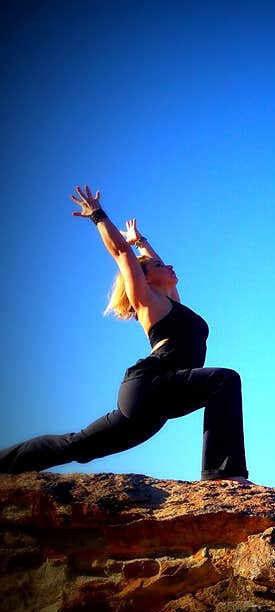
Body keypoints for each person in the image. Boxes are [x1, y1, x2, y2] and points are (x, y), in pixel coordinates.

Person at [0, 185, 251, 484]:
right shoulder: (148, 301)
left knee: (80, 445)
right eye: (159, 265)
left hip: (156, 408)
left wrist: (142, 241)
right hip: (150, 386)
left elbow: (153, 265)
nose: (168, 265)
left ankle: (4, 463)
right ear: (144, 277)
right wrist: (97, 215)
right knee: (224, 380)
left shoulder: (170, 301)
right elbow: (122, 253)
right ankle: (223, 476)